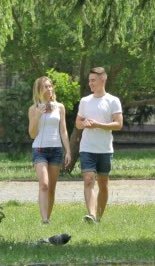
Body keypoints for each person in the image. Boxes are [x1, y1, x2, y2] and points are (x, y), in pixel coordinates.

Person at [75, 67, 123, 223]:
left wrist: (98, 125)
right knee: (89, 179)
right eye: (89, 81)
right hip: (87, 147)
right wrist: (84, 123)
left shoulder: (113, 101)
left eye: (93, 80)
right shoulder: (85, 101)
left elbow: (118, 124)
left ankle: (99, 218)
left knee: (103, 183)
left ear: (103, 80)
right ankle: (91, 214)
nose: (90, 84)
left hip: (104, 149)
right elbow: (78, 123)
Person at [28, 76, 71, 224]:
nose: (49, 89)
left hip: (56, 150)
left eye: (50, 86)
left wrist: (68, 151)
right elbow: (32, 134)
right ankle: (44, 220)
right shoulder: (33, 109)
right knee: (44, 184)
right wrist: (38, 115)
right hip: (40, 149)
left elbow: (63, 131)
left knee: (51, 188)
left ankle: (48, 217)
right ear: (39, 90)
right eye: (45, 87)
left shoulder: (60, 107)